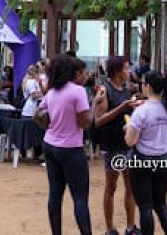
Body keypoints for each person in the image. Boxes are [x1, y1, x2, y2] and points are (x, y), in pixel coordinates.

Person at [39, 53, 92, 235]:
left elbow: (37, 115)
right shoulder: (78, 92)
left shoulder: (52, 92)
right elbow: (85, 123)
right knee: (79, 197)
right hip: (71, 148)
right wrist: (96, 106)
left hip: (50, 144)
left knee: (55, 194)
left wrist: (50, 125)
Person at [125, 70, 167, 235]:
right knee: (161, 205)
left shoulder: (141, 111)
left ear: (147, 87)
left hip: (142, 160)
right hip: (162, 159)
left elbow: (130, 141)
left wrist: (127, 129)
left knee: (145, 207)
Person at [94, 56, 141, 235]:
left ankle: (130, 226)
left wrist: (134, 108)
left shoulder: (126, 89)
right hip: (112, 145)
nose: (129, 72)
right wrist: (121, 108)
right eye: (127, 68)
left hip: (127, 143)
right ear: (117, 71)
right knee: (111, 186)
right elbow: (98, 120)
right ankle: (110, 228)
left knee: (131, 186)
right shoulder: (104, 90)